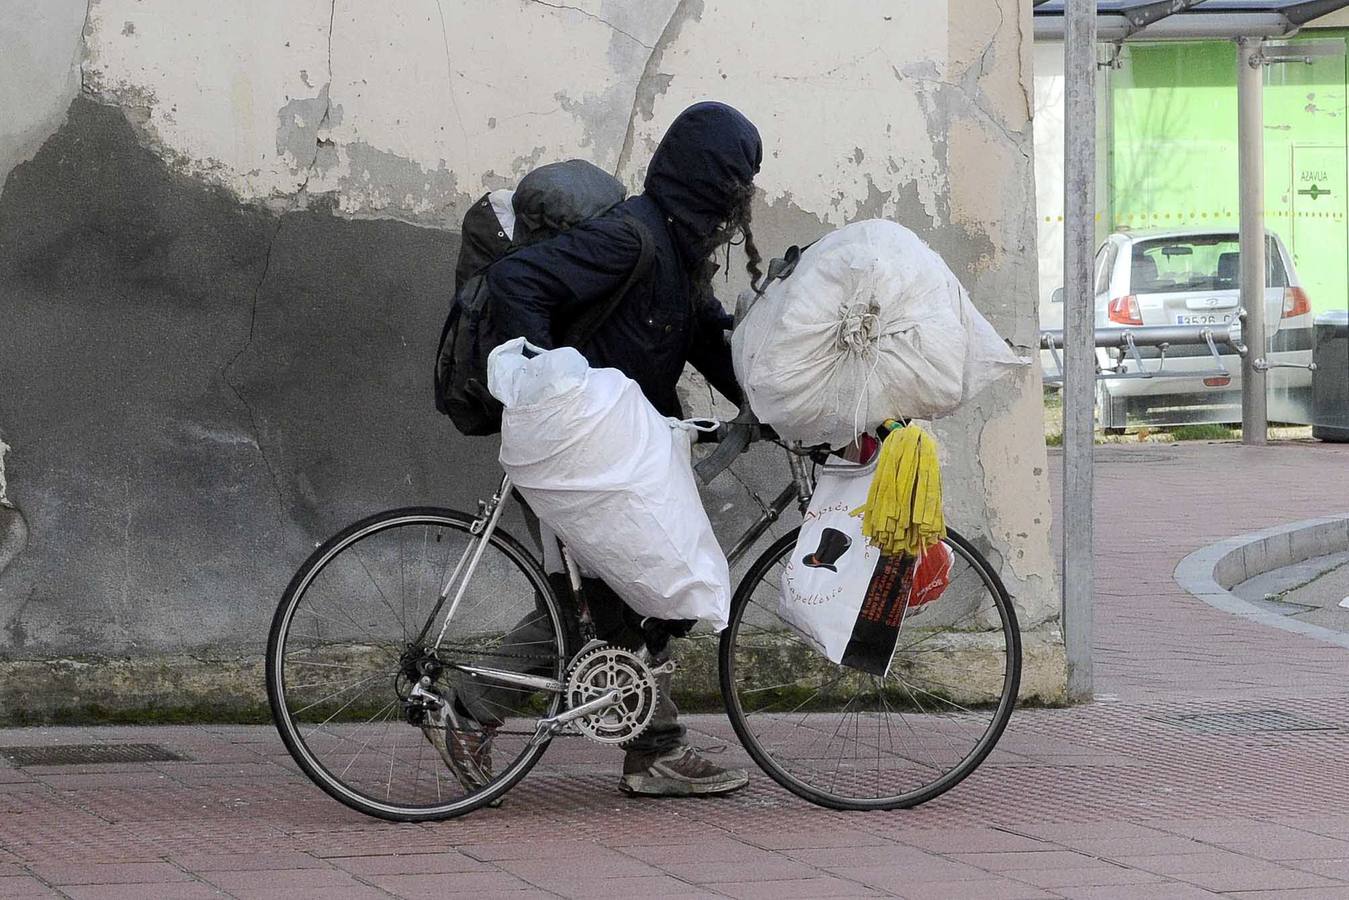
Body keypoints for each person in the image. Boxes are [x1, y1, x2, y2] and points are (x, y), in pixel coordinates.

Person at [433, 101, 765, 798]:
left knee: (633, 599)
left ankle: (654, 750)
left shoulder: (678, 255)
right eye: (736, 185)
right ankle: (472, 704)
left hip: (620, 461)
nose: (742, 204)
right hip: (574, 454)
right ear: (707, 183)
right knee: (604, 611)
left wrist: (765, 406)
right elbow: (517, 281)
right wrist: (551, 385)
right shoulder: (631, 239)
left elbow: (707, 340)